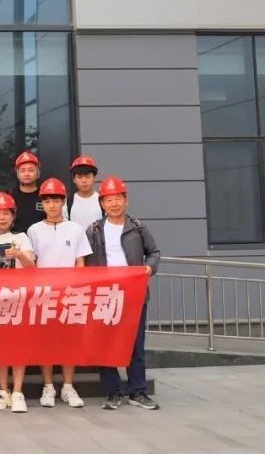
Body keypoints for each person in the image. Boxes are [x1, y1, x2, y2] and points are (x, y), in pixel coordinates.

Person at [85, 176, 161, 411]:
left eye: (118, 198)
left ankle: (138, 392)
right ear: (102, 204)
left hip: (134, 294)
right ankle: (112, 392)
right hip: (106, 295)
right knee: (106, 344)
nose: (114, 204)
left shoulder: (137, 227)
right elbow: (84, 260)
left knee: (135, 345)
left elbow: (154, 252)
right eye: (108, 200)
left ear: (126, 200)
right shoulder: (94, 230)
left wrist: (149, 268)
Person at [27, 178, 92, 409]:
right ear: (42, 204)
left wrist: (78, 290)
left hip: (70, 294)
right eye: (47, 201)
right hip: (43, 295)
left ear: (63, 201)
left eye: (56, 200)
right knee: (45, 341)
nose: (52, 205)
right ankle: (48, 386)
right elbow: (31, 263)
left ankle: (67, 386)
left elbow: (80, 263)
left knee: (69, 341)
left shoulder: (75, 229)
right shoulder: (34, 230)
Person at [0, 192, 35, 414]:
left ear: (13, 216)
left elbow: (32, 266)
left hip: (19, 299)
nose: (2, 217)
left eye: (6, 213)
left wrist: (19, 255)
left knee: (18, 345)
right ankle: (3, 390)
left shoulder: (21, 237)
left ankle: (18, 391)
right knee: (0, 346)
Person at [8, 151, 47, 233]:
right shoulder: (10, 197)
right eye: (23, 170)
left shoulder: (46, 196)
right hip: (16, 240)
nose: (27, 174)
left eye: (31, 170)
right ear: (17, 174)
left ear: (38, 173)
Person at [68, 155, 103, 227]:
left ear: (94, 178)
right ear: (74, 180)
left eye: (88, 176)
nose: (84, 181)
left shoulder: (102, 200)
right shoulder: (68, 202)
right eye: (79, 177)